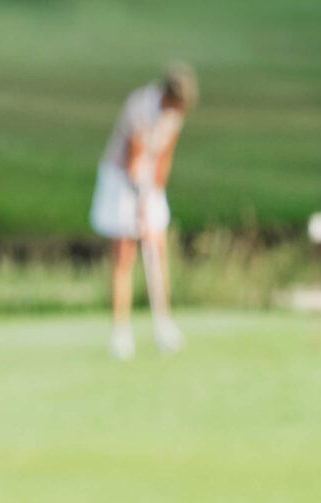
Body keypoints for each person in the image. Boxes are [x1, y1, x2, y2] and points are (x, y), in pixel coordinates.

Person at [90, 62, 196, 360]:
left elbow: (163, 158)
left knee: (157, 248)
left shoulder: (175, 115)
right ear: (167, 95)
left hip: (149, 185)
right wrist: (139, 208)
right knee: (124, 253)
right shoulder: (139, 106)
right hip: (121, 180)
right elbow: (133, 159)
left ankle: (164, 325)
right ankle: (120, 333)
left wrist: (153, 196)